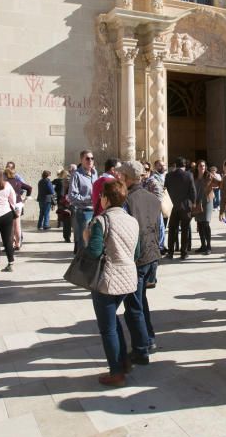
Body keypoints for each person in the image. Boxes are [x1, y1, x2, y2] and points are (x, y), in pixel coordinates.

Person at [86, 180, 141, 387]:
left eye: (102, 195)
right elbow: (136, 252)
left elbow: (94, 252)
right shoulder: (132, 221)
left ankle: (116, 371)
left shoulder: (101, 221)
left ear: (107, 198)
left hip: (108, 280)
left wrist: (87, 237)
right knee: (114, 321)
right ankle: (124, 362)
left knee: (107, 327)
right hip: (128, 278)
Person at [118, 161, 160, 357]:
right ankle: (149, 337)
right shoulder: (153, 198)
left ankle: (141, 348)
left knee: (133, 306)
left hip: (136, 258)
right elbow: (159, 229)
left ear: (126, 178)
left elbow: (125, 232)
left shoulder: (127, 200)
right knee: (141, 301)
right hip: (151, 255)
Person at [164, 157, 196, 260]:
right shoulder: (188, 175)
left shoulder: (168, 175)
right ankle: (184, 253)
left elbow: (165, 189)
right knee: (185, 229)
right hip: (185, 206)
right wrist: (193, 203)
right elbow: (193, 191)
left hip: (173, 206)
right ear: (185, 165)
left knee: (172, 230)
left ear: (175, 165)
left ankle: (170, 252)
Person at [68, 150, 98, 253]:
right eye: (87, 158)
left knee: (93, 238)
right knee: (84, 240)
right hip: (83, 211)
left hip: (95, 210)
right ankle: (81, 262)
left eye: (92, 158)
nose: (90, 160)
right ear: (81, 160)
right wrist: (89, 199)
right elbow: (72, 196)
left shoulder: (95, 173)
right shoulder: (76, 175)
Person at [193, 160, 219, 255]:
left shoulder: (209, 176)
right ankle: (202, 245)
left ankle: (209, 246)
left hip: (207, 202)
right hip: (197, 202)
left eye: (204, 166)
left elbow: (219, 183)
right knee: (199, 224)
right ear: (197, 167)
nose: (202, 167)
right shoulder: (194, 176)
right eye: (200, 166)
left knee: (206, 223)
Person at [4, 168, 32, 250]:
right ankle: (18, 243)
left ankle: (11, 243)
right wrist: (26, 198)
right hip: (18, 204)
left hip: (8, 205)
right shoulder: (18, 182)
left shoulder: (5, 183)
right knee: (17, 225)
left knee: (9, 226)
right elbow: (29, 188)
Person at [55, 169, 72, 242]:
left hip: (62, 201)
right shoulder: (68, 180)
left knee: (65, 220)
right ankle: (67, 236)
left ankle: (66, 236)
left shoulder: (61, 181)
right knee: (67, 220)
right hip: (67, 202)